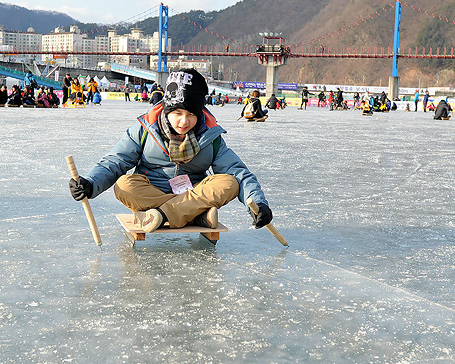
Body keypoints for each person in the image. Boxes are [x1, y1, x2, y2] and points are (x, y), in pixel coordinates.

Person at [68, 68, 273, 234]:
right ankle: (193, 215)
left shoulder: (211, 136)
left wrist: (258, 203)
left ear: (200, 112)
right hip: (152, 190)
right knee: (124, 186)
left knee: (228, 182)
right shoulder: (144, 128)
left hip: (193, 191)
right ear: (167, 109)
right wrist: (90, 182)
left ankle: (161, 215)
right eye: (177, 113)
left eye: (192, 114)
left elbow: (237, 172)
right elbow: (116, 161)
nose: (184, 121)